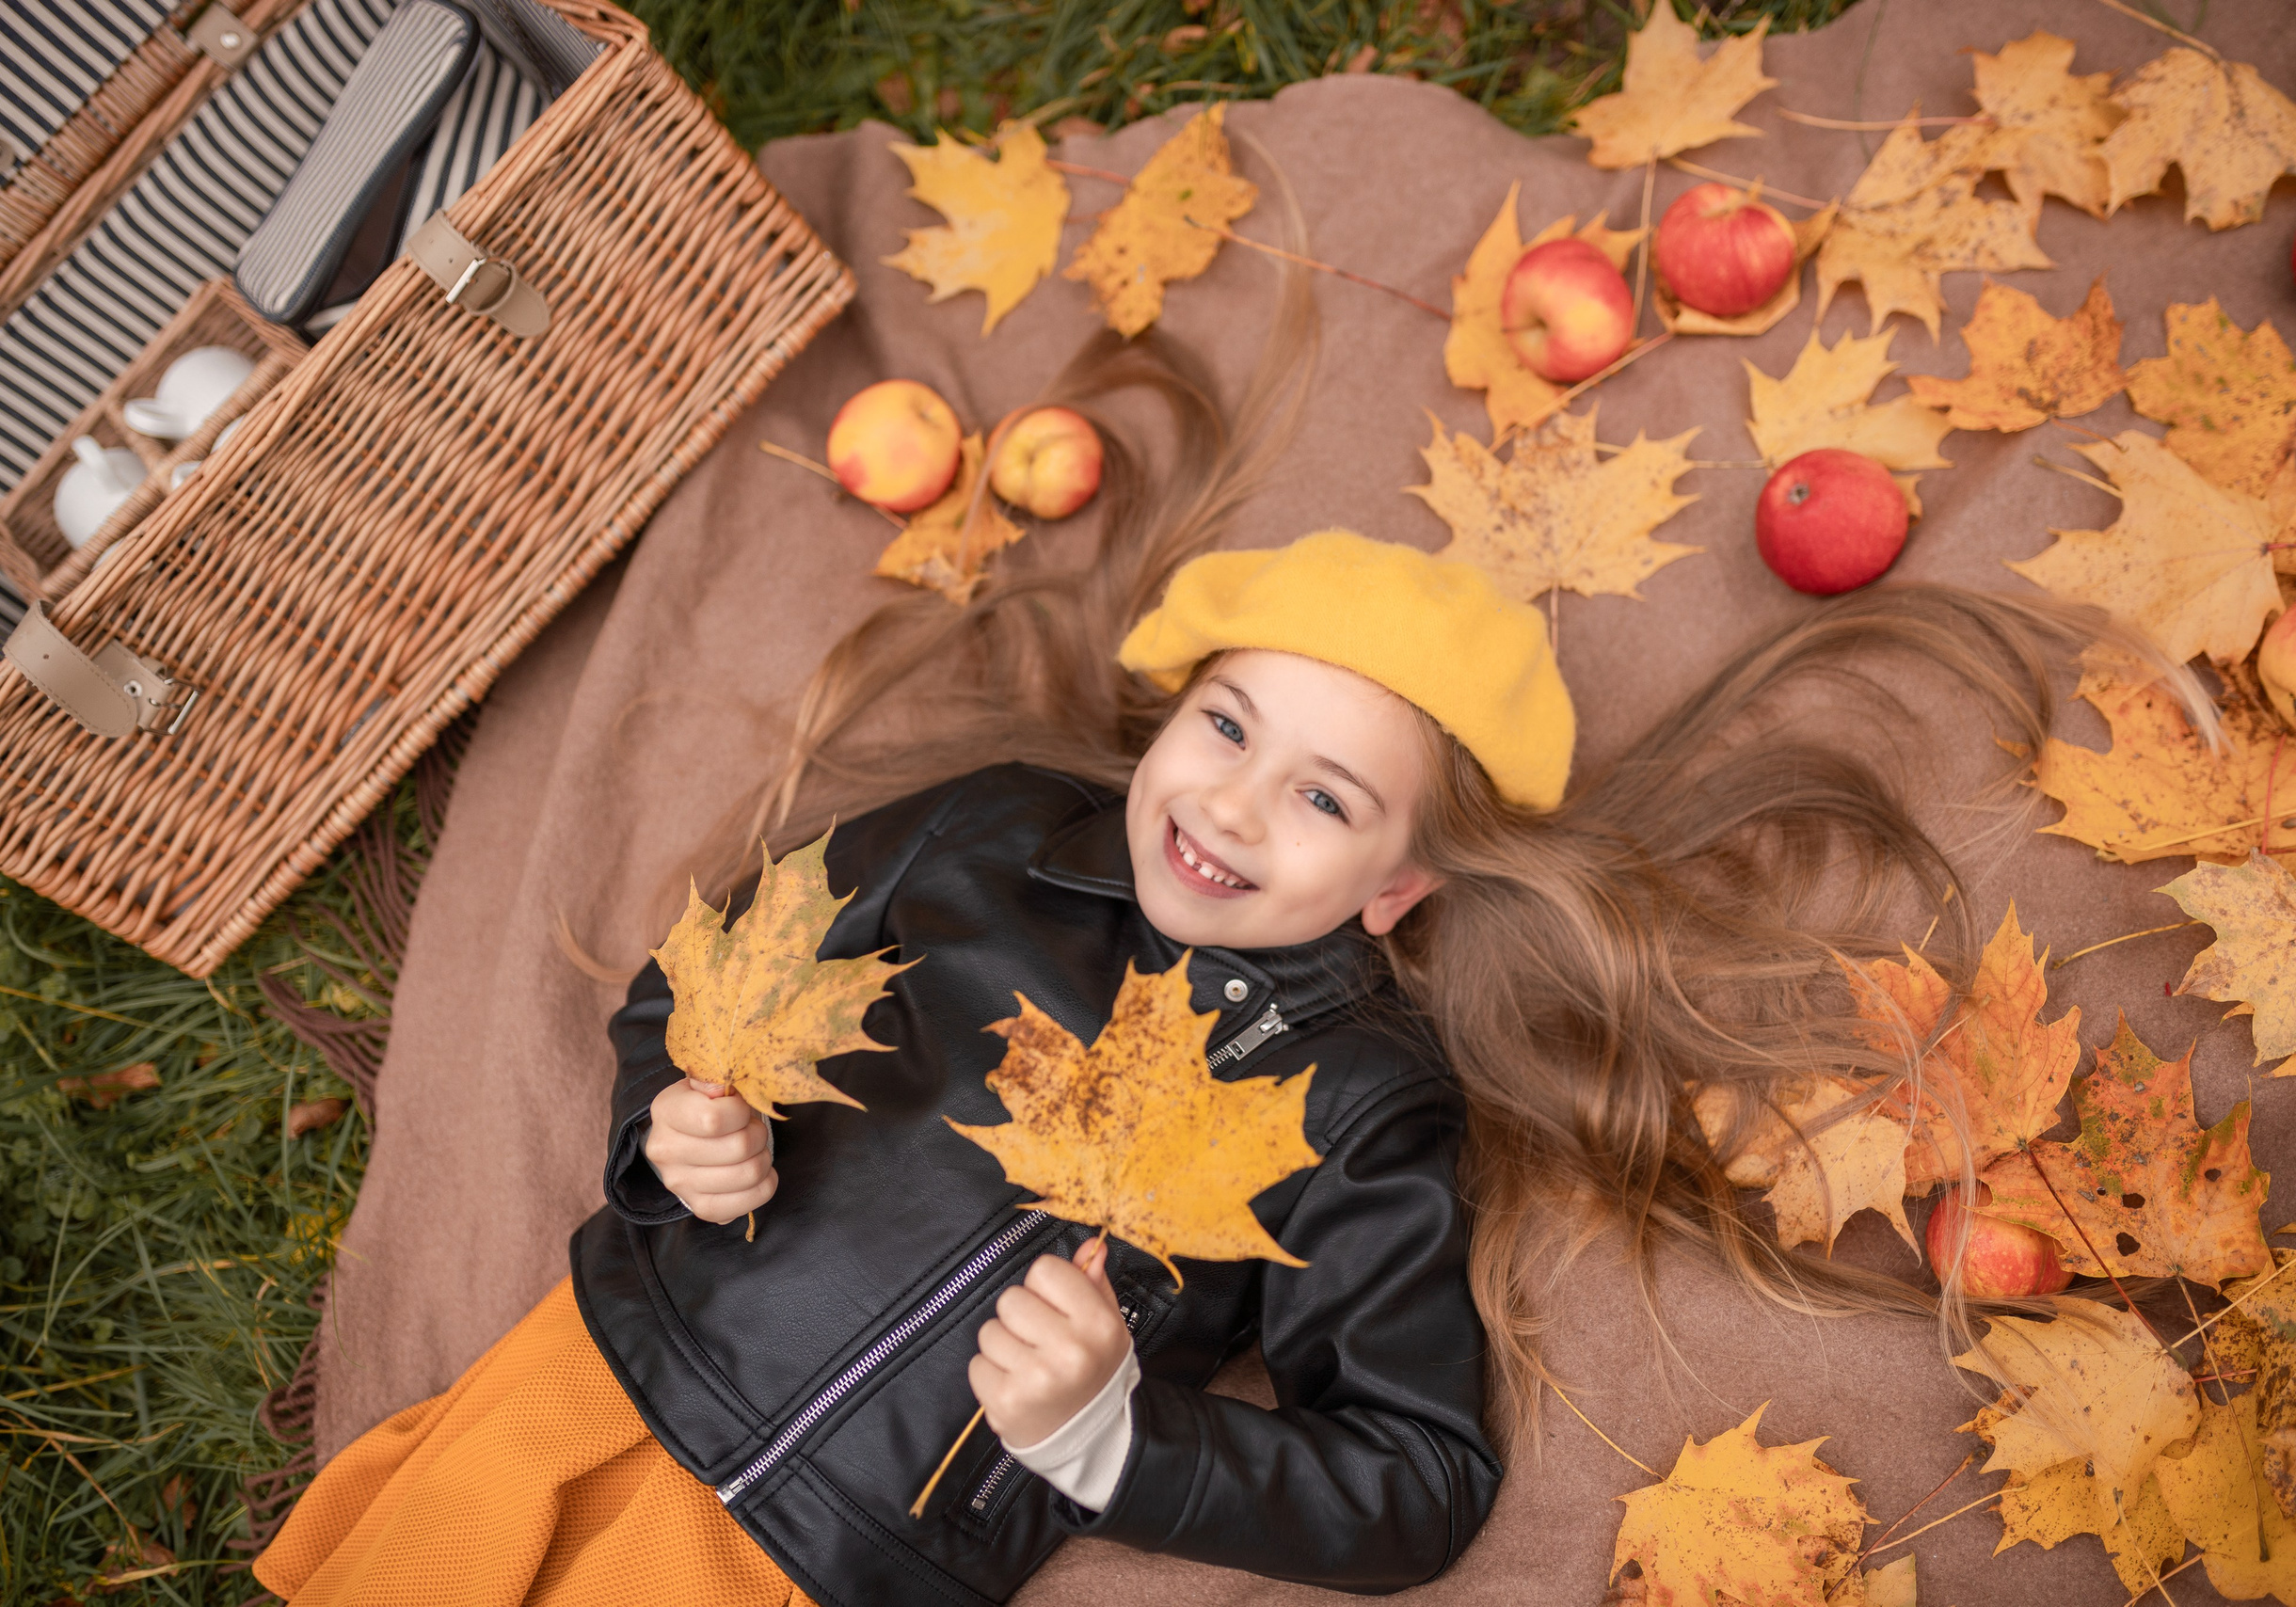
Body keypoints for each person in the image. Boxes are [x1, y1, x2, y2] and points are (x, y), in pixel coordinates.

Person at [255, 279, 2167, 1607]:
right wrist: (673, 1125)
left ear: (1402, 885)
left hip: (824, 1562)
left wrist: (1117, 1433)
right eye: (1228, 725)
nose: (1235, 805)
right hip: (593, 1365)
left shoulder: (1359, 1110)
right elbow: (712, 978)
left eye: (1326, 798)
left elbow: (1416, 1477)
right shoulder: (989, 834)